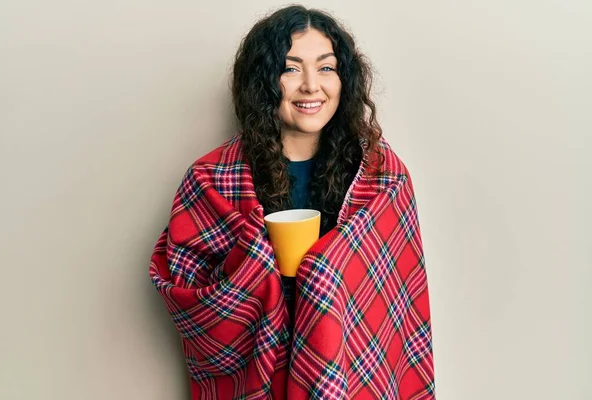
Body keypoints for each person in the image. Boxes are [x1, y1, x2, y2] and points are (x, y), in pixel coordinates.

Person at [149, 5, 435, 399]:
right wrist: (253, 267)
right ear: (264, 81)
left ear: (345, 79)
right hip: (257, 381)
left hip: (348, 378)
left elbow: (396, 309)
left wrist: (320, 273)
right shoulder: (211, 179)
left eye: (326, 68)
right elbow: (188, 291)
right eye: (290, 68)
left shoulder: (383, 178)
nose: (311, 86)